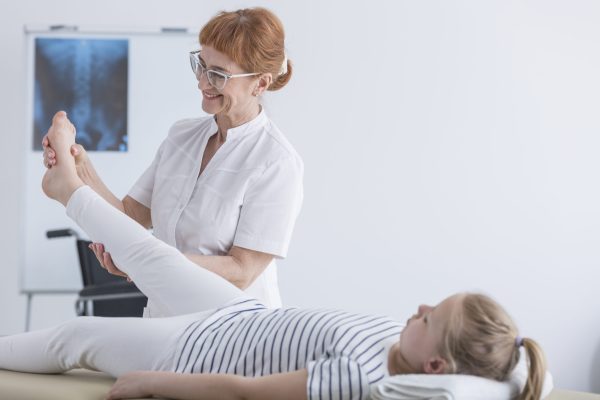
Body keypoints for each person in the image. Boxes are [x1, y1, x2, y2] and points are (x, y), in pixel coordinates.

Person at [6, 113, 547, 400]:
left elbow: (247, 392)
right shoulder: (395, 339)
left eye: (431, 317)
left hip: (197, 352)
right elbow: (516, 375)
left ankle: (65, 189)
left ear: (435, 366)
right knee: (147, 252)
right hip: (239, 314)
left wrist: (155, 382)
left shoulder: (365, 378)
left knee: (74, 338)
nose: (420, 308)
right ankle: (68, 184)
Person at [42, 8, 303, 313]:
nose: (202, 83)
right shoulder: (182, 136)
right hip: (164, 319)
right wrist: (80, 166)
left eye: (218, 75)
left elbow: (241, 271)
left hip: (233, 330)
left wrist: (145, 261)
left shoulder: (277, 162)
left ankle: (68, 190)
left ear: (259, 84)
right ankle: (69, 184)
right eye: (201, 66)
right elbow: (130, 217)